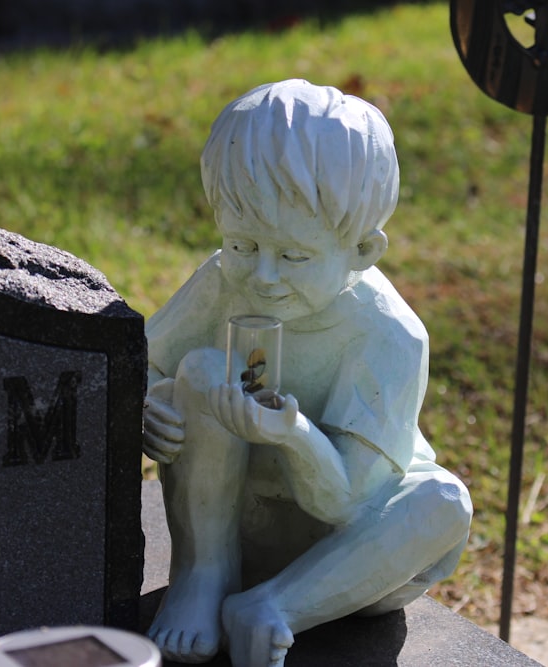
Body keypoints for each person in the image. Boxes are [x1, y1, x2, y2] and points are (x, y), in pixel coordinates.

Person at [142, 79, 473, 667]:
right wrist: (149, 407)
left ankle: (274, 608)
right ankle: (204, 573)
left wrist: (293, 436)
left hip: (338, 557)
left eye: (294, 256)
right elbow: (149, 364)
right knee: (202, 369)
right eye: (242, 244)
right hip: (233, 524)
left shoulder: (388, 334)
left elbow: (348, 502)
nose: (263, 276)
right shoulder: (223, 280)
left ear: (363, 251)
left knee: (445, 500)